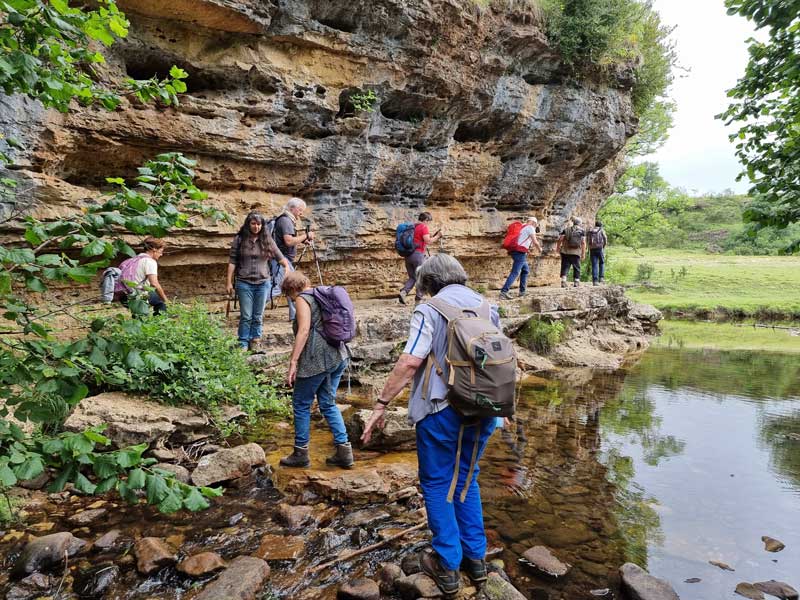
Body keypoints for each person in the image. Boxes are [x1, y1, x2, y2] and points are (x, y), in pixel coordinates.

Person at [362, 254, 499, 597]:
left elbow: (410, 361)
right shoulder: (487, 306)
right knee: (467, 477)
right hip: (484, 409)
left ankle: (447, 563)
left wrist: (381, 404)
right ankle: (476, 559)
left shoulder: (430, 309)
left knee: (437, 483)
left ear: (428, 282)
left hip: (442, 410)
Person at [279, 271, 353, 469]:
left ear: (293, 289)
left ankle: (300, 453)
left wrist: (293, 362)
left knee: (301, 403)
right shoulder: (322, 295)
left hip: (317, 358)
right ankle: (344, 452)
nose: (291, 300)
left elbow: (304, 330)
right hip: (338, 354)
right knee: (328, 403)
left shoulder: (303, 299)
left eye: (289, 295)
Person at [227, 212, 290, 351]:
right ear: (248, 224)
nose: (256, 227)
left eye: (259, 224)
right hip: (244, 282)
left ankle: (255, 340)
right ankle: (243, 342)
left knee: (258, 315)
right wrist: (229, 282)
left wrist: (286, 270)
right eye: (253, 224)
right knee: (246, 315)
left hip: (263, 283)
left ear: (263, 226)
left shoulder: (267, 240)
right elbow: (232, 261)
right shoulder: (239, 239)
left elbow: (281, 258)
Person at [270, 197, 316, 320]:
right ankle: (255, 312)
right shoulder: (285, 221)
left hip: (282, 259)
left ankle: (295, 315)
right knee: (276, 288)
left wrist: (302, 240)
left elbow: (287, 241)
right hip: (281, 260)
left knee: (291, 287)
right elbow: (289, 241)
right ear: (292, 208)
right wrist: (306, 235)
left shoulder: (286, 220)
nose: (301, 213)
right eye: (300, 210)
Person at [115, 237, 168, 316]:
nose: (161, 254)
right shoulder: (150, 261)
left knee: (138, 315)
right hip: (138, 296)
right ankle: (160, 322)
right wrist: (166, 300)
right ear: (154, 249)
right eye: (160, 252)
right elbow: (154, 284)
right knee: (160, 302)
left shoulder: (130, 260)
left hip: (123, 297)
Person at [398, 212, 442, 305]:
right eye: (429, 221)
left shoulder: (412, 227)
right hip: (418, 255)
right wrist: (437, 236)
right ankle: (419, 299)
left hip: (408, 255)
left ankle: (404, 292)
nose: (428, 223)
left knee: (412, 277)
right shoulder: (423, 227)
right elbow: (428, 241)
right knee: (421, 277)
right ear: (426, 220)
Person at [499, 216, 542, 300]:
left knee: (525, 270)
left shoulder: (522, 226)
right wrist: (540, 249)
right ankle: (504, 292)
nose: (535, 227)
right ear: (534, 223)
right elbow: (535, 241)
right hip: (520, 252)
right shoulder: (530, 227)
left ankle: (522, 292)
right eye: (536, 225)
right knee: (515, 272)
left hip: (515, 251)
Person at [556, 216, 586, 288]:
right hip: (576, 252)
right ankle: (576, 282)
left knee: (565, 266)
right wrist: (583, 253)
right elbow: (583, 242)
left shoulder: (566, 230)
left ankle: (563, 281)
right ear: (579, 223)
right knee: (577, 267)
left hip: (565, 251)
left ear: (573, 222)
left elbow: (560, 239)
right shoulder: (582, 231)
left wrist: (558, 248)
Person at [587, 219, 608, 285]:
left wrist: (589, 247)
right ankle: (601, 278)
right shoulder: (601, 230)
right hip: (599, 248)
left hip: (592, 249)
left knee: (594, 264)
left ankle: (595, 281)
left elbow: (587, 239)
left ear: (595, 225)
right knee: (601, 262)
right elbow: (605, 239)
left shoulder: (590, 231)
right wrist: (603, 246)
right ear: (601, 225)